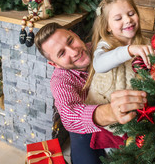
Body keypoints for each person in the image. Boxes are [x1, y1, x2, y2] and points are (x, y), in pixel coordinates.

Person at [34, 22, 147, 164]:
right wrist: (110, 112)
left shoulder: (102, 48)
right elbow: (69, 115)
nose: (74, 51)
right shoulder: (60, 80)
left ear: (75, 34)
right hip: (88, 127)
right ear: (54, 64)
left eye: (70, 41)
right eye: (62, 53)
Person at [84, 0, 155, 136]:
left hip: (135, 116)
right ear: (108, 27)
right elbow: (99, 65)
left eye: (131, 14)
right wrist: (129, 50)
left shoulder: (146, 44)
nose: (128, 20)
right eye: (118, 18)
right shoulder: (105, 45)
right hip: (106, 121)